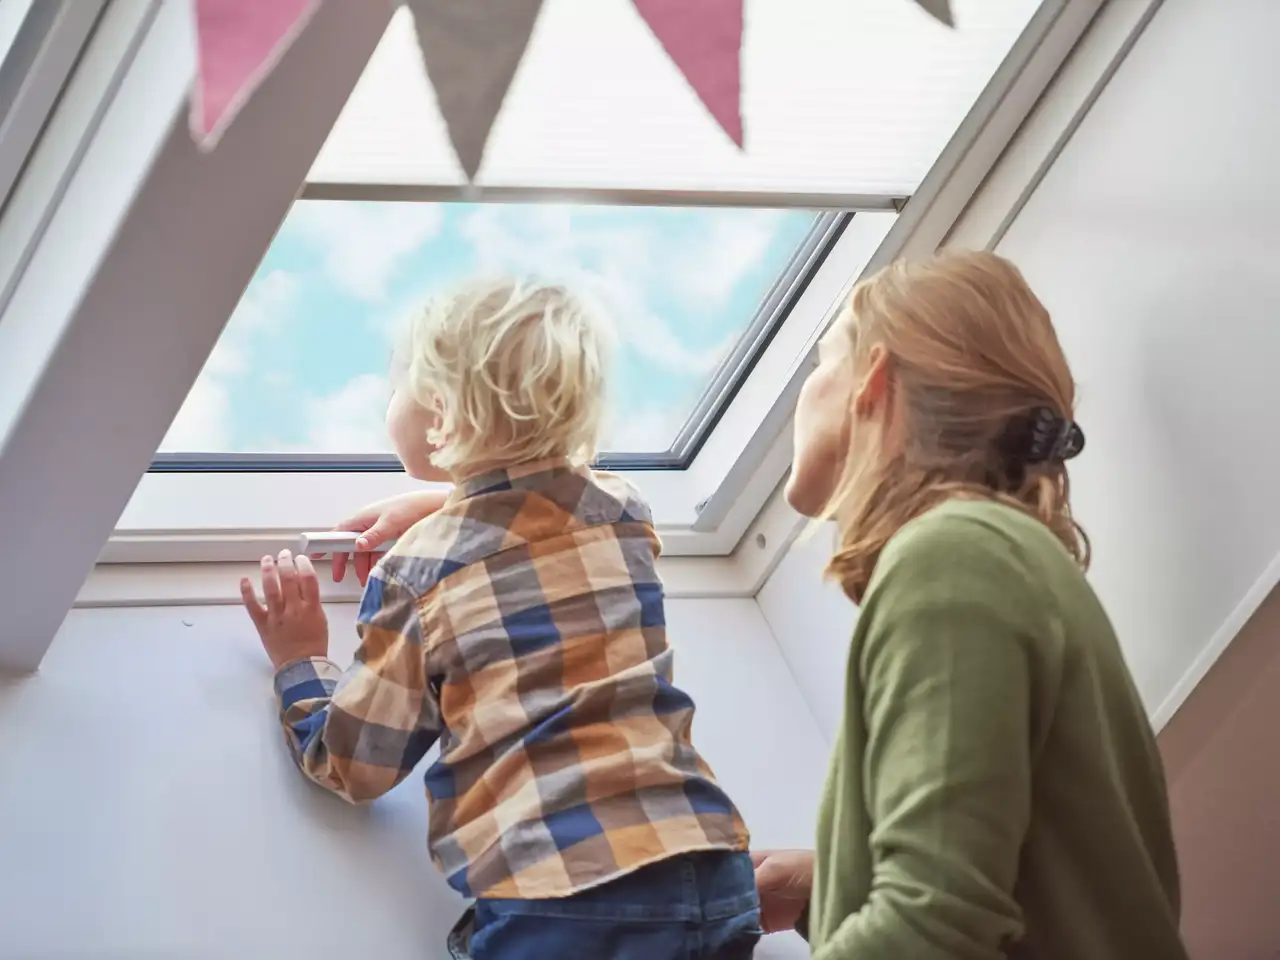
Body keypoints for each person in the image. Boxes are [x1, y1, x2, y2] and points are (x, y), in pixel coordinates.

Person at [238, 277, 762, 960]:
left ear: (439, 408)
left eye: (398, 385)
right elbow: (534, 517)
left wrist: (299, 659)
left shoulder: (420, 572)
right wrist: (442, 503)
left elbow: (354, 765)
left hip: (561, 889)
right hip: (707, 859)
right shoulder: (621, 511)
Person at [748, 250, 1189, 958]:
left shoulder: (948, 560)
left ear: (875, 381)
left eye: (819, 364)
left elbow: (931, 927)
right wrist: (827, 887)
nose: (807, 392)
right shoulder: (996, 559)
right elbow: (1003, 892)